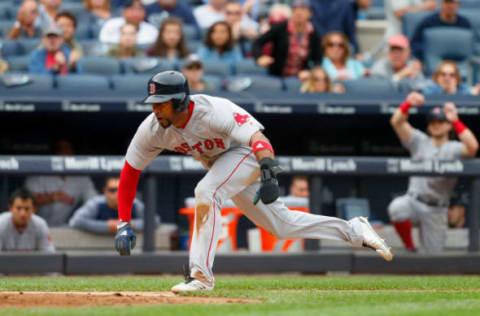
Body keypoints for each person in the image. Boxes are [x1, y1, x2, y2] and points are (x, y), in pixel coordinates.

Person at [113, 70, 393, 293]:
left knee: (206, 191)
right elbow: (130, 172)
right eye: (154, 104)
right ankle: (354, 230)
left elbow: (258, 138)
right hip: (221, 163)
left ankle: (200, 275)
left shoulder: (213, 110)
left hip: (245, 153)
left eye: (162, 104)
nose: (157, 110)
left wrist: (268, 171)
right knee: (282, 226)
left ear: (181, 101)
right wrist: (124, 221)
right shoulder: (152, 129)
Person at [388, 92, 478, 253]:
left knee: (433, 259)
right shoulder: (419, 141)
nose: (436, 125)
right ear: (429, 126)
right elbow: (396, 122)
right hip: (413, 201)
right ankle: (410, 247)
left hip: (437, 209)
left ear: (448, 125)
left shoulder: (455, 148)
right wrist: (407, 104)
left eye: (441, 121)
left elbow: (472, 147)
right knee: (397, 208)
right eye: (433, 122)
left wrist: (456, 120)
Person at [25, 139, 98, 227]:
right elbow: (26, 201)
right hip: (32, 227)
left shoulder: (81, 177)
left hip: (62, 228)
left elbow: (94, 202)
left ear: (73, 153)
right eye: (59, 150)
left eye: (67, 149)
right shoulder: (39, 174)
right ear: (53, 153)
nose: (63, 154)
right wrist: (52, 197)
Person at [252, 0, 322, 78]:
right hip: (277, 76)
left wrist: (310, 72)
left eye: (303, 9)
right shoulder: (280, 28)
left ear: (310, 13)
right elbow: (257, 43)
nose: (299, 12)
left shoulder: (314, 33)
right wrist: (259, 57)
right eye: (295, 8)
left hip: (300, 79)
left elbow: (318, 59)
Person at [69, 176, 146, 235]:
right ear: (105, 191)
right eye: (112, 190)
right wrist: (108, 226)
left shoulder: (134, 203)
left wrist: (129, 225)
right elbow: (75, 221)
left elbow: (154, 220)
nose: (117, 194)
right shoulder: (96, 203)